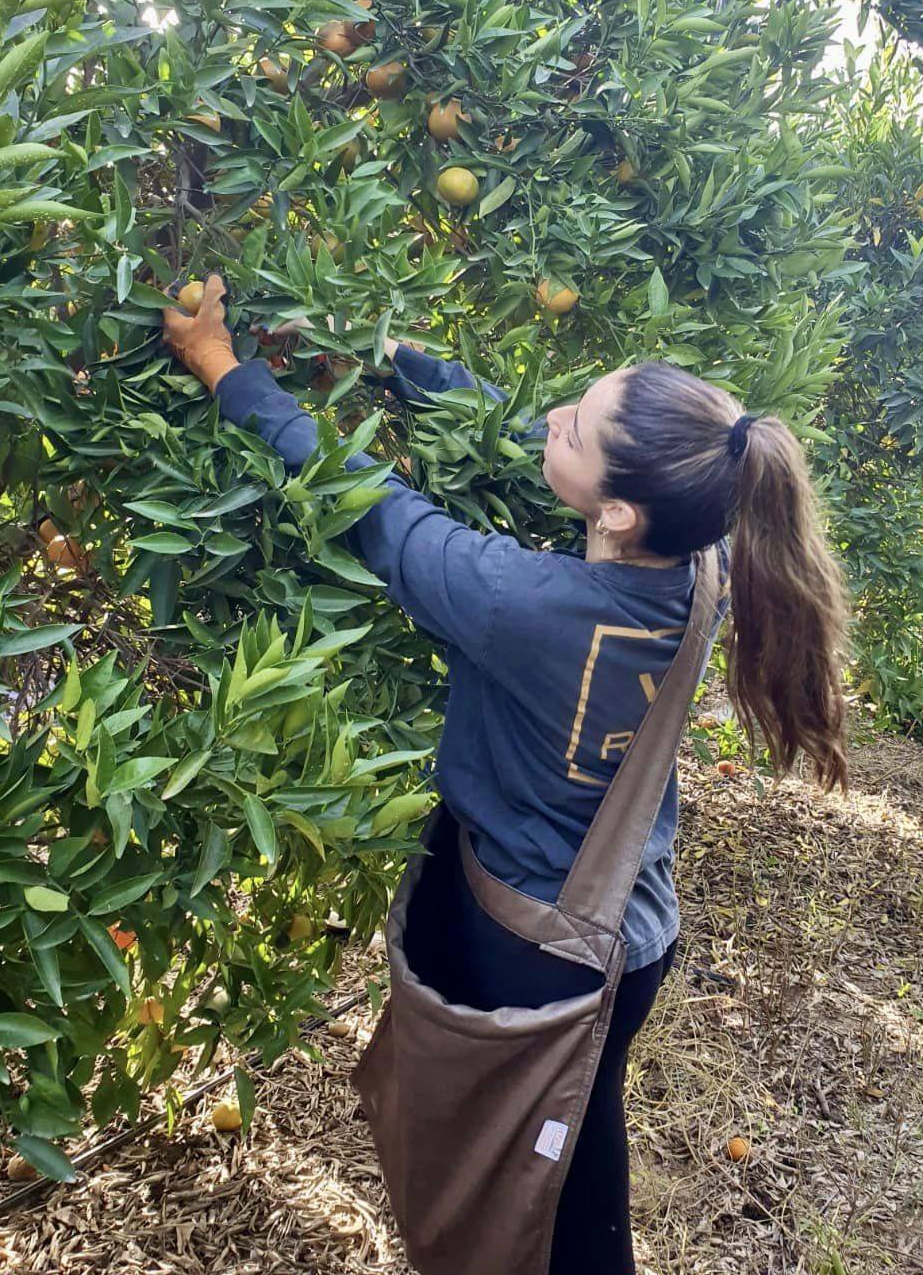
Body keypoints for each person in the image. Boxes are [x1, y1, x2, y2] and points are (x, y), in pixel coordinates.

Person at [163, 274, 849, 1275]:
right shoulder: (701, 555)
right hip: (629, 937)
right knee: (573, 1162)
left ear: (617, 512)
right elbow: (506, 421)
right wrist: (389, 355)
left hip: (537, 950)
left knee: (504, 1188)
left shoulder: (526, 610)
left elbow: (381, 515)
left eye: (576, 426)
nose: (554, 419)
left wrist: (227, 371)